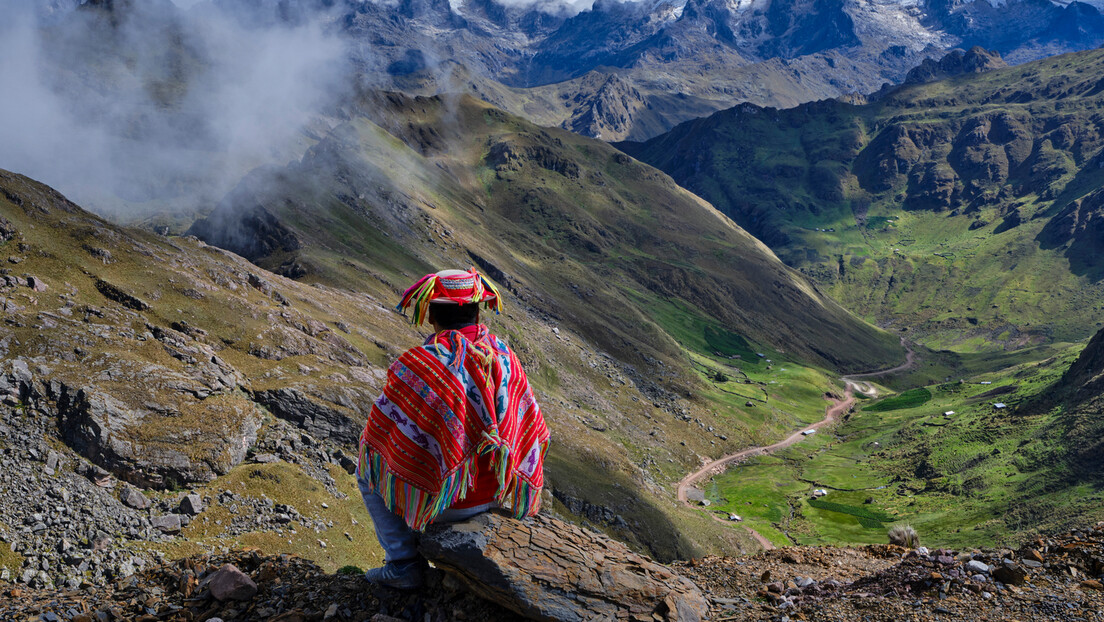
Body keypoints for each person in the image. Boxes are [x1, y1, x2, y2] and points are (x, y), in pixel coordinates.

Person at [356, 267, 550, 589]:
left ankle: (403, 563)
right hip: (504, 497)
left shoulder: (418, 365)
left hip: (448, 503)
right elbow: (534, 430)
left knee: (367, 463)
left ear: (431, 315)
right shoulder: (507, 357)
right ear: (478, 311)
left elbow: (378, 438)